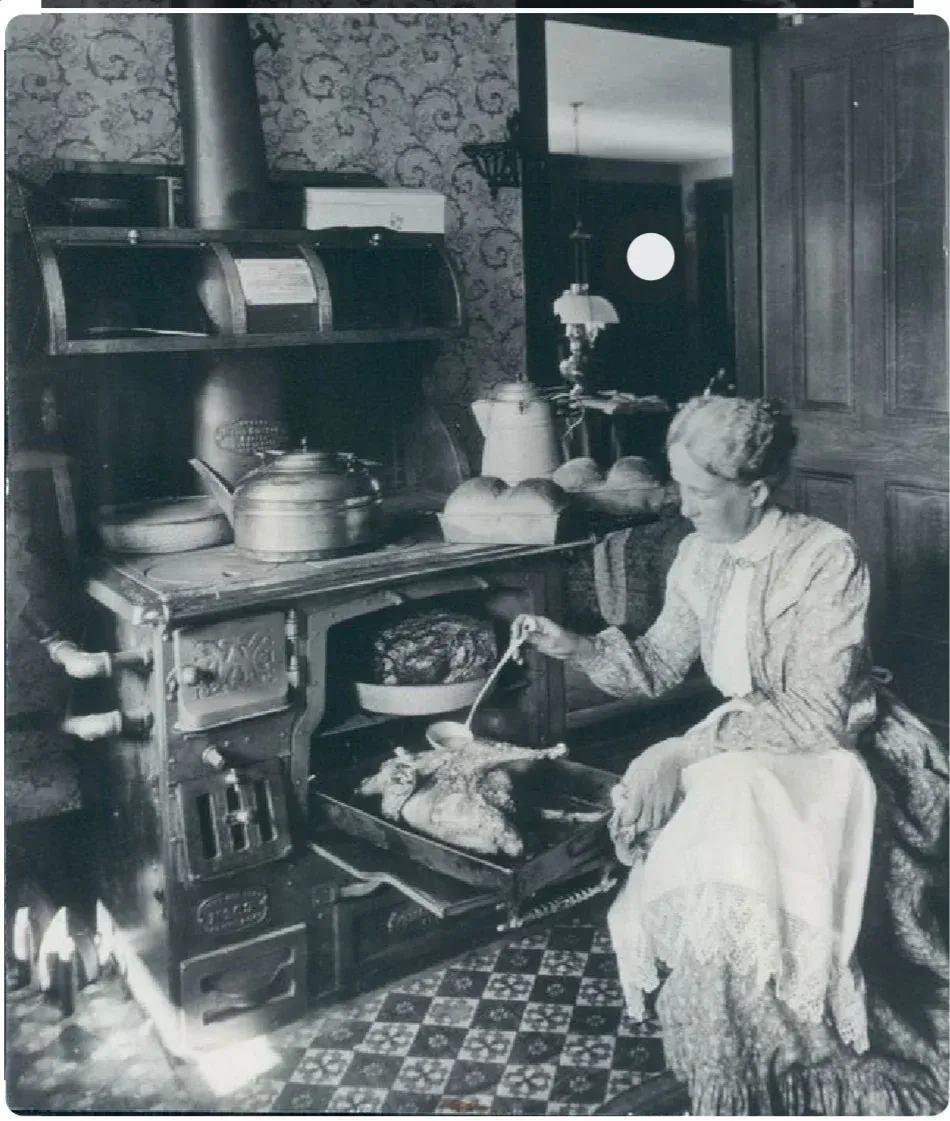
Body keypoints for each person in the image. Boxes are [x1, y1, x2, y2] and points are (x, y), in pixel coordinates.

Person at [513, 395, 948, 1115]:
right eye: (679, 486)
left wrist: (684, 750)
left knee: (725, 807)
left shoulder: (825, 557)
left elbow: (816, 717)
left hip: (844, 750)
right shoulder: (698, 555)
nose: (683, 508)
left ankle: (791, 1063)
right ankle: (729, 1063)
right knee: (721, 811)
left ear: (757, 489)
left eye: (702, 494)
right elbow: (655, 663)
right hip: (748, 745)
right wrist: (576, 645)